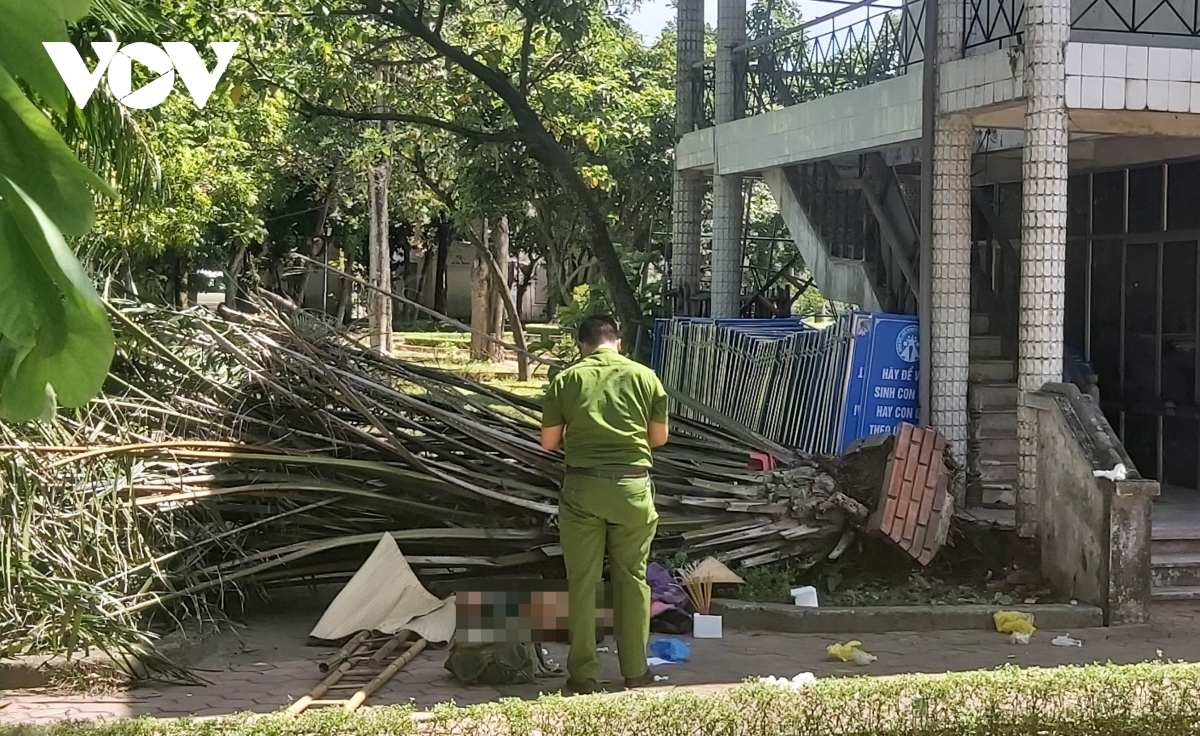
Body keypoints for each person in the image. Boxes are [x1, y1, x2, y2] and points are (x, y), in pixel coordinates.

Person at [540, 314, 669, 694]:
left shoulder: (567, 379)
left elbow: (548, 442)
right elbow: (658, 438)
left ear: (582, 346)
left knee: (583, 582)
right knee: (632, 578)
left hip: (582, 489)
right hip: (632, 490)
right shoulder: (645, 377)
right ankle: (635, 671)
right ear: (618, 343)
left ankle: (583, 676)